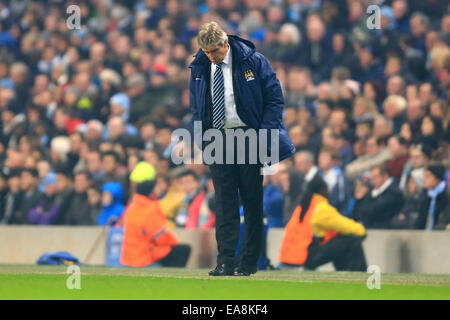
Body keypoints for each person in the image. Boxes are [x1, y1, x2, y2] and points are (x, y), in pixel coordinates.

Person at [189, 22, 295, 276]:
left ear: (226, 43)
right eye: (206, 51)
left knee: (251, 201)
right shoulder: (199, 68)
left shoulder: (254, 62)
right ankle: (225, 261)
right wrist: (203, 139)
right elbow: (196, 106)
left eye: (215, 51)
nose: (211, 56)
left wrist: (264, 133)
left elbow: (274, 98)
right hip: (217, 138)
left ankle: (248, 262)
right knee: (224, 203)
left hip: (249, 135)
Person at [278, 175, 367, 271]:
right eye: (327, 189)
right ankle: (358, 273)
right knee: (352, 239)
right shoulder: (321, 208)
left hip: (288, 258)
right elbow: (349, 227)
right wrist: (362, 230)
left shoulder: (302, 207)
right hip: (304, 258)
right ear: (322, 190)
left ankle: (344, 271)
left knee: (338, 239)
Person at [120, 180, 191, 268]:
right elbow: (160, 236)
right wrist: (174, 242)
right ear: (151, 192)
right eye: (157, 188)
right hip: (144, 256)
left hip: (129, 257)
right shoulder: (150, 209)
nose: (159, 190)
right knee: (183, 249)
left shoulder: (132, 208)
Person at [416, 164, 448, 230]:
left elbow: (444, 219)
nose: (424, 180)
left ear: (437, 178)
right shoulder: (425, 194)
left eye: (428, 177)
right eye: (424, 176)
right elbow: (420, 220)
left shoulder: (447, 195)